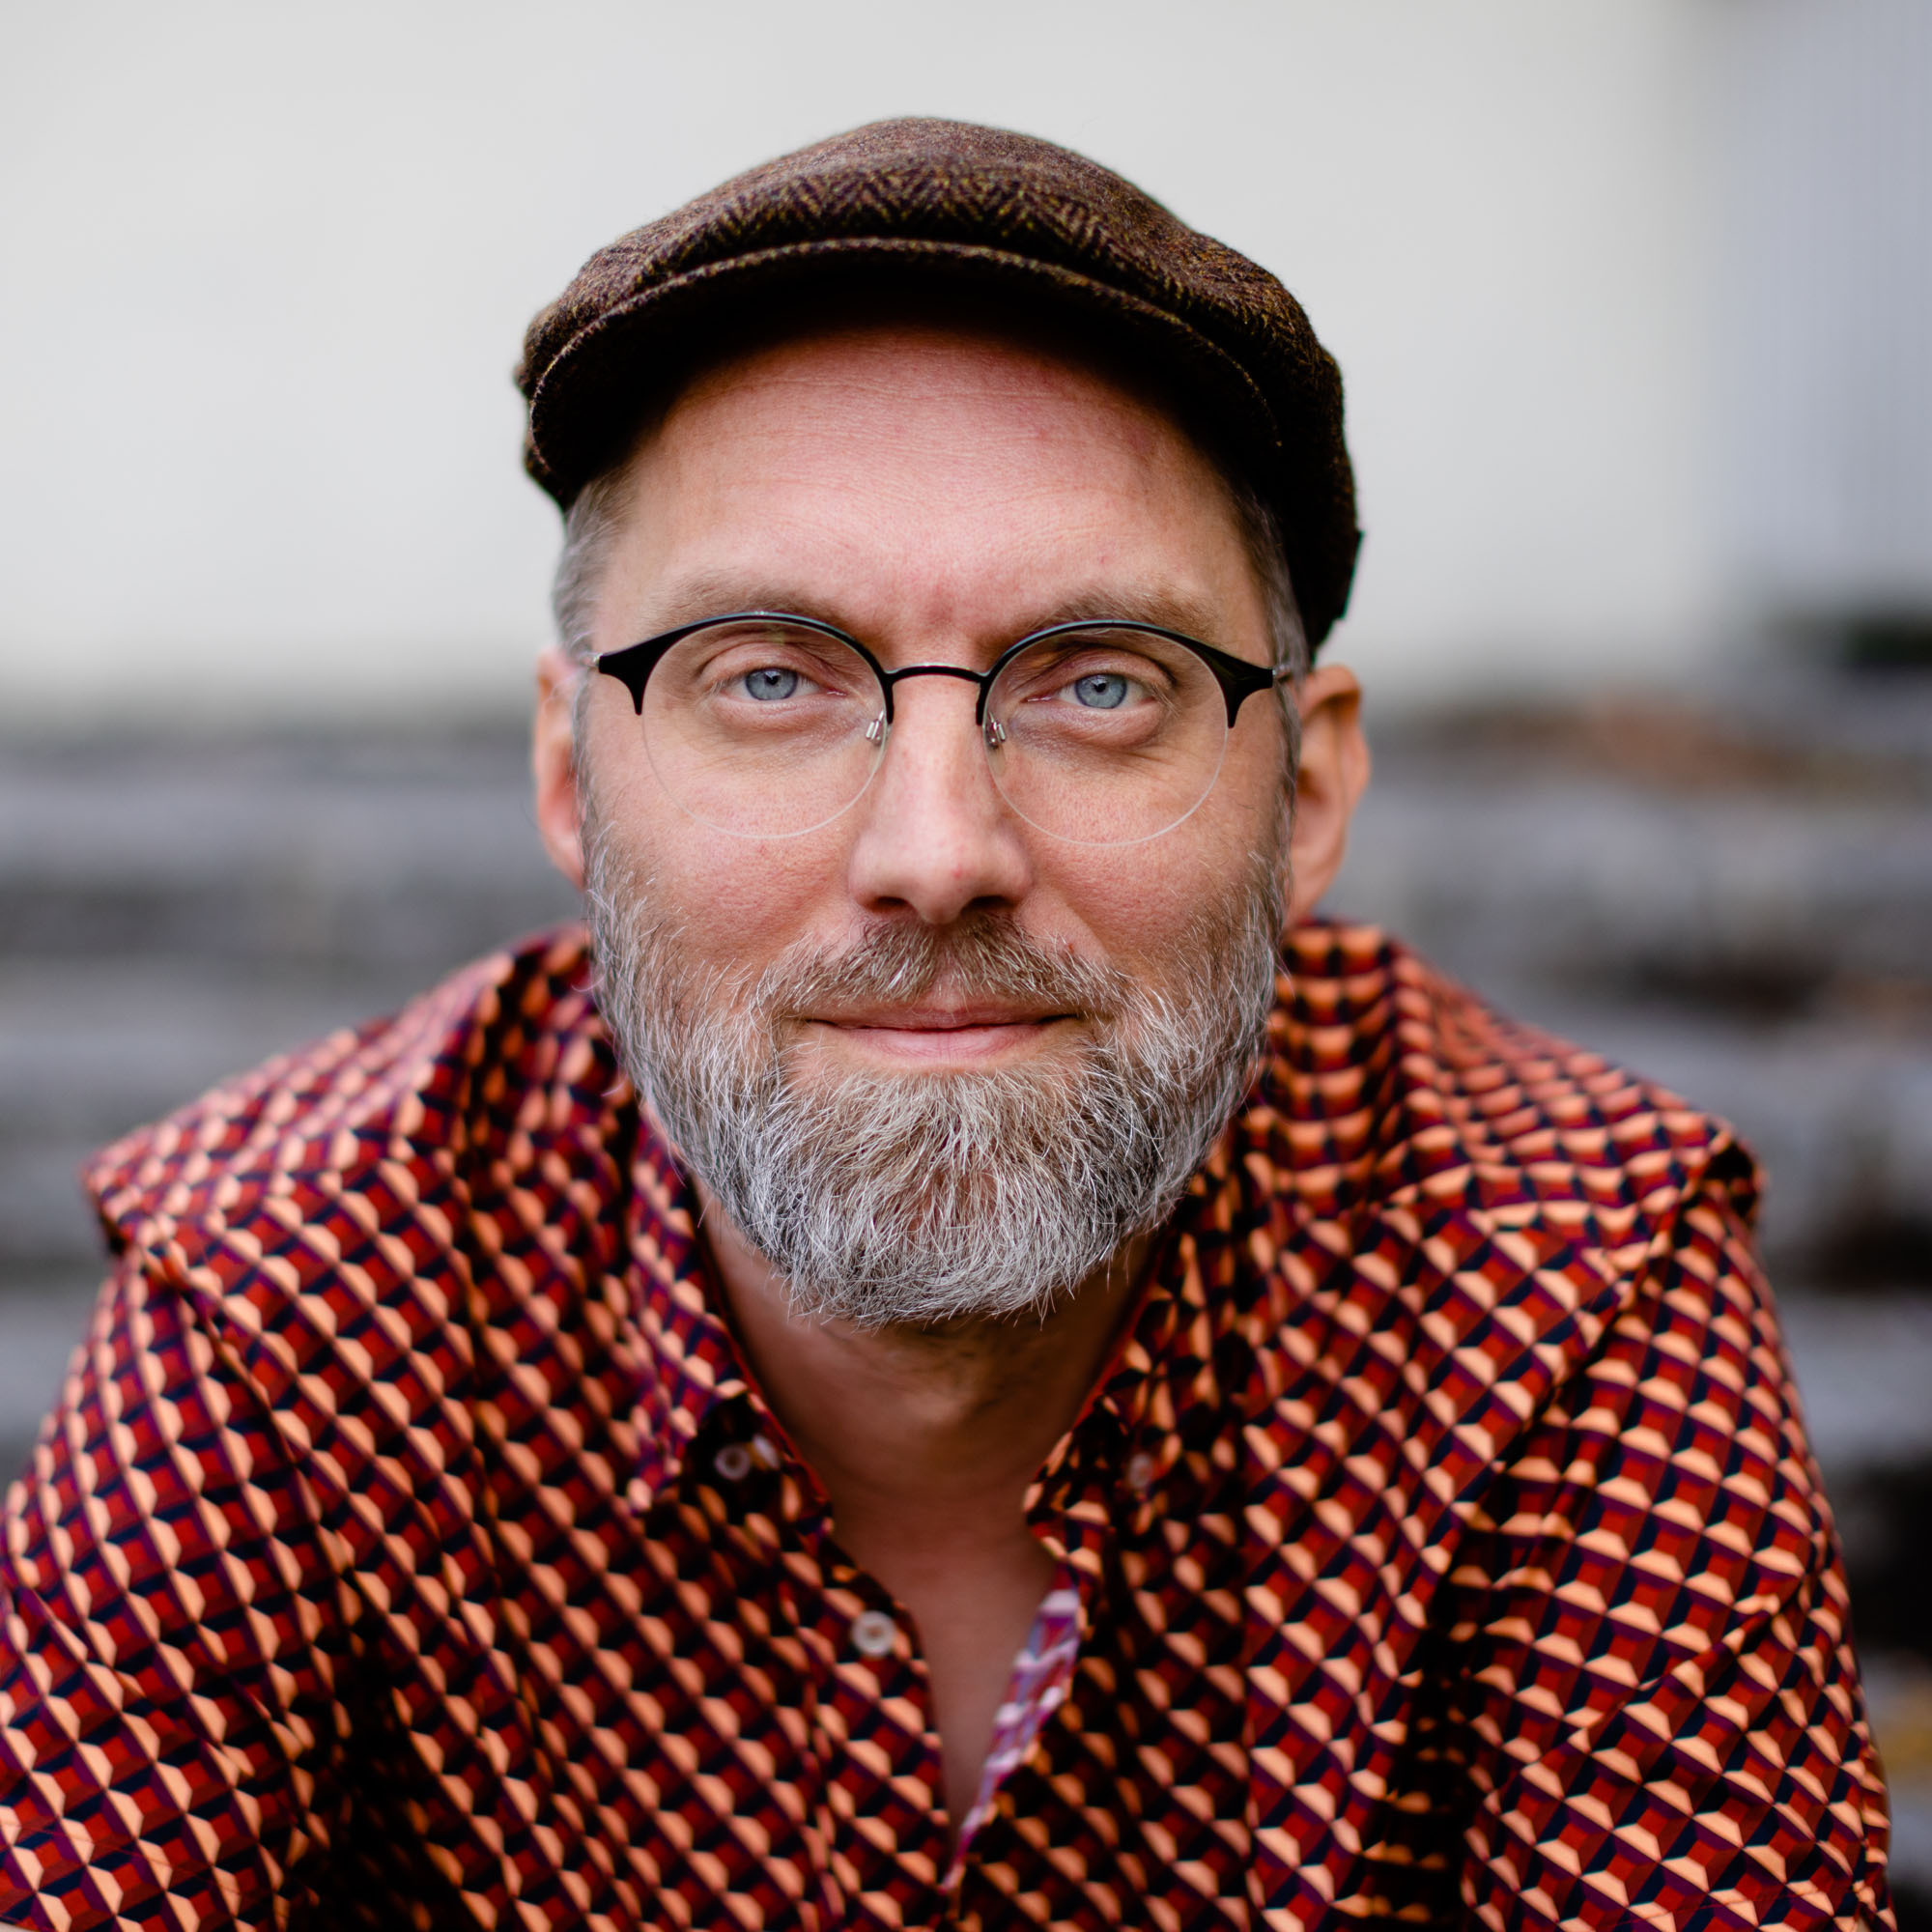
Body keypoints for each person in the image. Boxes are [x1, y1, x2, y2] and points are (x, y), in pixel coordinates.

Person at [0, 120, 1892, 1932]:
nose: (936, 854)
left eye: (1098, 683)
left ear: (1306, 795)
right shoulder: (288, 1307)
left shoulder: (1563, 1278)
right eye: (768, 677)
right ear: (572, 777)